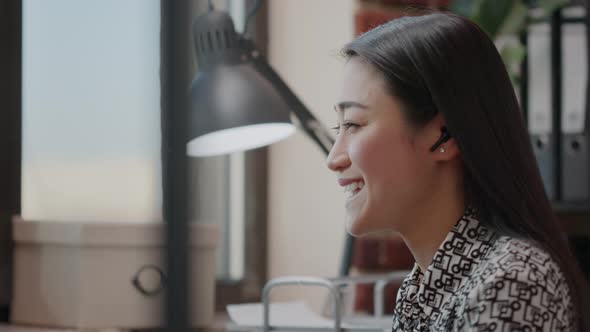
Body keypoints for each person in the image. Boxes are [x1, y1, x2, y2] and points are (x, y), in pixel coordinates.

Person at [326, 12, 589, 331]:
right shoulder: (422, 289)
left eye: (353, 124)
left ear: (444, 135)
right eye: (338, 126)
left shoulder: (512, 282)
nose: (334, 158)